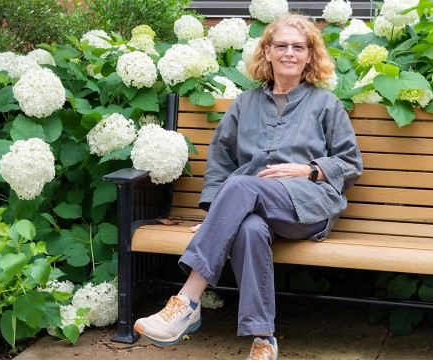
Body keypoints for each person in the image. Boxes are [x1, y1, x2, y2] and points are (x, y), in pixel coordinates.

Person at [134, 13, 363, 360]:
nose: (289, 53)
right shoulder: (245, 103)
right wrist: (220, 215)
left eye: (298, 47)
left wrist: (307, 170)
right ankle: (263, 338)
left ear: (309, 56)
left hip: (309, 207)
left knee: (242, 187)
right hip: (254, 207)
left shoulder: (325, 104)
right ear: (267, 52)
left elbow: (350, 164)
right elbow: (221, 160)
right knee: (249, 229)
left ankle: (187, 301)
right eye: (281, 45)